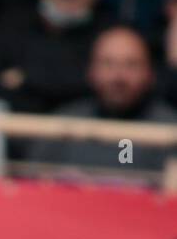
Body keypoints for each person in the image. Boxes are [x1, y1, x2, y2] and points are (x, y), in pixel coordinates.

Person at [26, 25, 177, 173]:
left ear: (150, 73)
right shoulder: (62, 128)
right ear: (91, 71)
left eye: (131, 65)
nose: (118, 77)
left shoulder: (170, 132)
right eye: (107, 63)